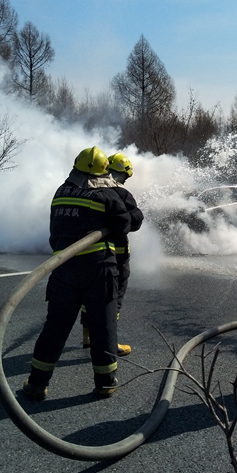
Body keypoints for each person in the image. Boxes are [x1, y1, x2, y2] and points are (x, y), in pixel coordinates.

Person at [22, 146, 131, 401]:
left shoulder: (60, 192)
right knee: (103, 326)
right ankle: (105, 383)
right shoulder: (106, 194)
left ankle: (37, 383)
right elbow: (125, 224)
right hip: (98, 268)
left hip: (63, 267)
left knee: (55, 327)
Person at [80, 152, 144, 356]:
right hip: (116, 255)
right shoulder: (121, 193)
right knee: (113, 299)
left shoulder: (88, 189)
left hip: (89, 255)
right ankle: (110, 342)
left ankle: (87, 335)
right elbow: (135, 221)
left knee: (89, 296)